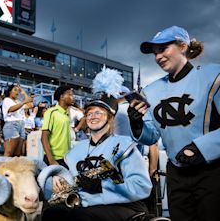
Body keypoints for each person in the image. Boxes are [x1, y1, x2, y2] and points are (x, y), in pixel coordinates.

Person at [128, 25, 220, 221]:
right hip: (176, 172)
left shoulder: (213, 75)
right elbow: (152, 135)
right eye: (155, 53)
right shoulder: (151, 90)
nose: (158, 57)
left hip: (211, 171)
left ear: (183, 46)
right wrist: (136, 123)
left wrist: (199, 147)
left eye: (163, 49)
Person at [43, 88, 152, 221]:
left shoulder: (124, 144)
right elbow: (70, 180)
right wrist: (58, 178)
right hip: (88, 203)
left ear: (110, 118)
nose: (93, 116)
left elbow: (142, 186)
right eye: (89, 114)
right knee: (51, 213)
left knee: (79, 216)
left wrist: (101, 186)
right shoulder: (78, 149)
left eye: (99, 113)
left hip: (125, 205)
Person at [41, 85, 73, 168]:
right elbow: (44, 137)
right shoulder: (51, 112)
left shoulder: (67, 114)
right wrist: (51, 160)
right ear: (62, 97)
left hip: (65, 159)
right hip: (53, 159)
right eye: (69, 94)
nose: (72, 97)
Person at [2, 84, 33, 156]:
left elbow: (30, 105)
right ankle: (4, 166)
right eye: (15, 90)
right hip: (12, 125)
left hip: (21, 125)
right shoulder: (7, 100)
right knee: (9, 152)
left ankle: (13, 167)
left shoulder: (18, 101)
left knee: (18, 153)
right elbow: (11, 109)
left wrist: (23, 92)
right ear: (10, 92)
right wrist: (24, 102)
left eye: (18, 90)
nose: (17, 92)